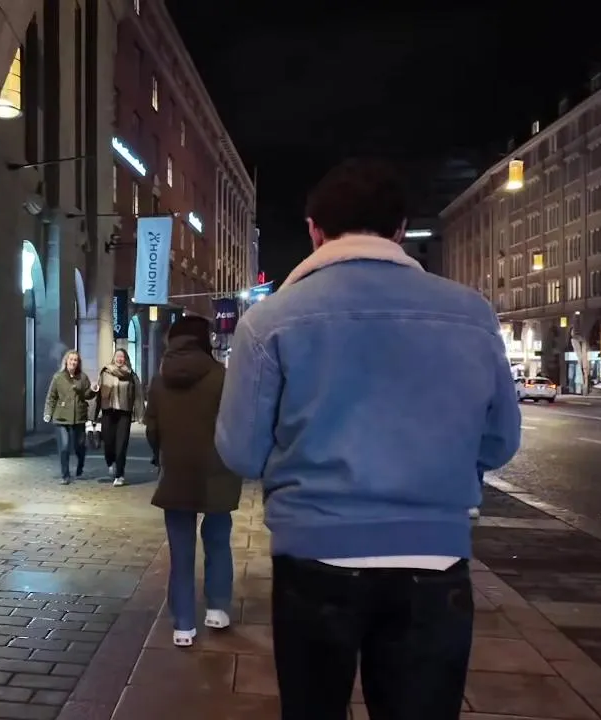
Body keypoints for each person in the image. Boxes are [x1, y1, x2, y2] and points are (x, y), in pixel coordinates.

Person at [215, 158, 521, 720]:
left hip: (315, 552)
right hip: (435, 554)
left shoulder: (271, 320)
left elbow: (241, 451)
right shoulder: (471, 314)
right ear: (400, 230)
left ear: (314, 230)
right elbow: (500, 442)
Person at [146, 315, 242, 647]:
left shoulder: (160, 381)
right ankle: (217, 608)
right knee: (218, 541)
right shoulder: (222, 378)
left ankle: (184, 624)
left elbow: (152, 429)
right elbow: (235, 424)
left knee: (181, 552)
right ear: (204, 340)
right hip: (217, 473)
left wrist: (164, 455)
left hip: (176, 474)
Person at [44, 350, 98, 484]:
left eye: (75, 360)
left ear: (78, 363)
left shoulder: (83, 377)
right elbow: (51, 397)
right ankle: (65, 475)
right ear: (66, 361)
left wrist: (93, 390)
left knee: (79, 446)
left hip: (79, 417)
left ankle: (81, 463)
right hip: (61, 417)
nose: (73, 362)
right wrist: (48, 413)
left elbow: (87, 395)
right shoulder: (58, 377)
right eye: (71, 359)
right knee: (64, 446)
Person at [95, 349, 146, 486]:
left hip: (124, 413)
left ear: (126, 359)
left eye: (122, 357)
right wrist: (93, 415)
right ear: (114, 358)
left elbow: (138, 395)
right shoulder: (105, 372)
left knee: (121, 445)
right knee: (108, 442)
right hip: (108, 412)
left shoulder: (131, 375)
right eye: (117, 356)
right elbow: (98, 394)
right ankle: (110, 462)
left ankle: (120, 475)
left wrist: (141, 414)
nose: (119, 359)